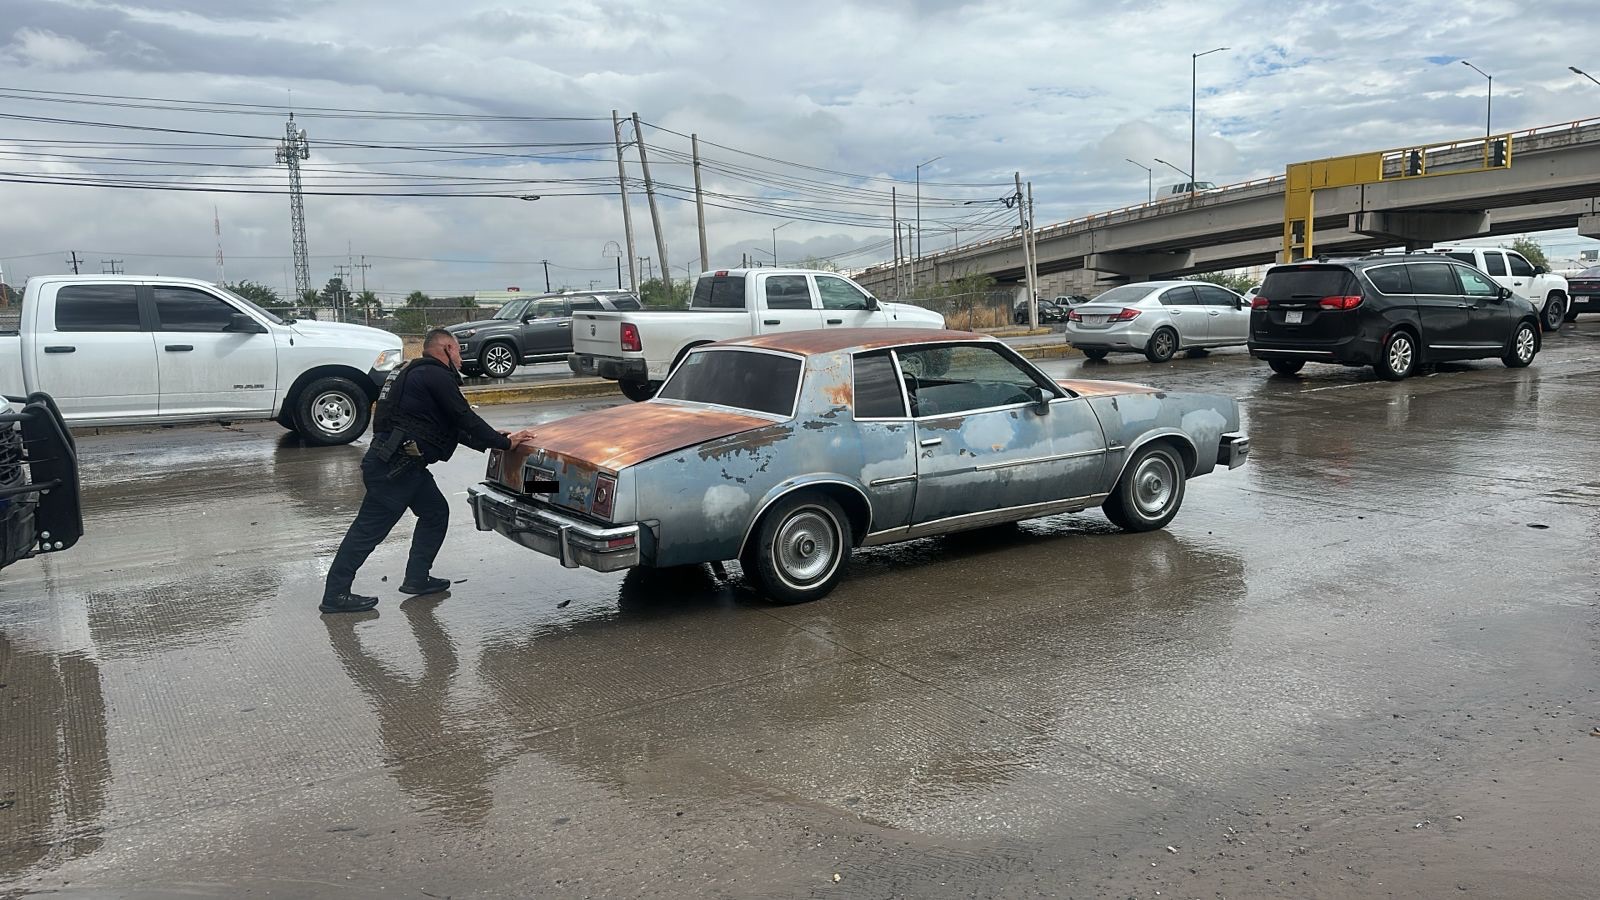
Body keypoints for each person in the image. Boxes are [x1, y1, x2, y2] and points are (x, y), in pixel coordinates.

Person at [321, 328, 536, 614]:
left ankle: (417, 578)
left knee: (435, 513)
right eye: (458, 350)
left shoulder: (413, 373)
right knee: (367, 531)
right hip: (394, 469)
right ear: (446, 348)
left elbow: (448, 426)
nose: (461, 358)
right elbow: (463, 417)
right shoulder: (435, 375)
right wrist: (505, 444)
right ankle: (335, 594)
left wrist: (493, 440)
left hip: (404, 465)